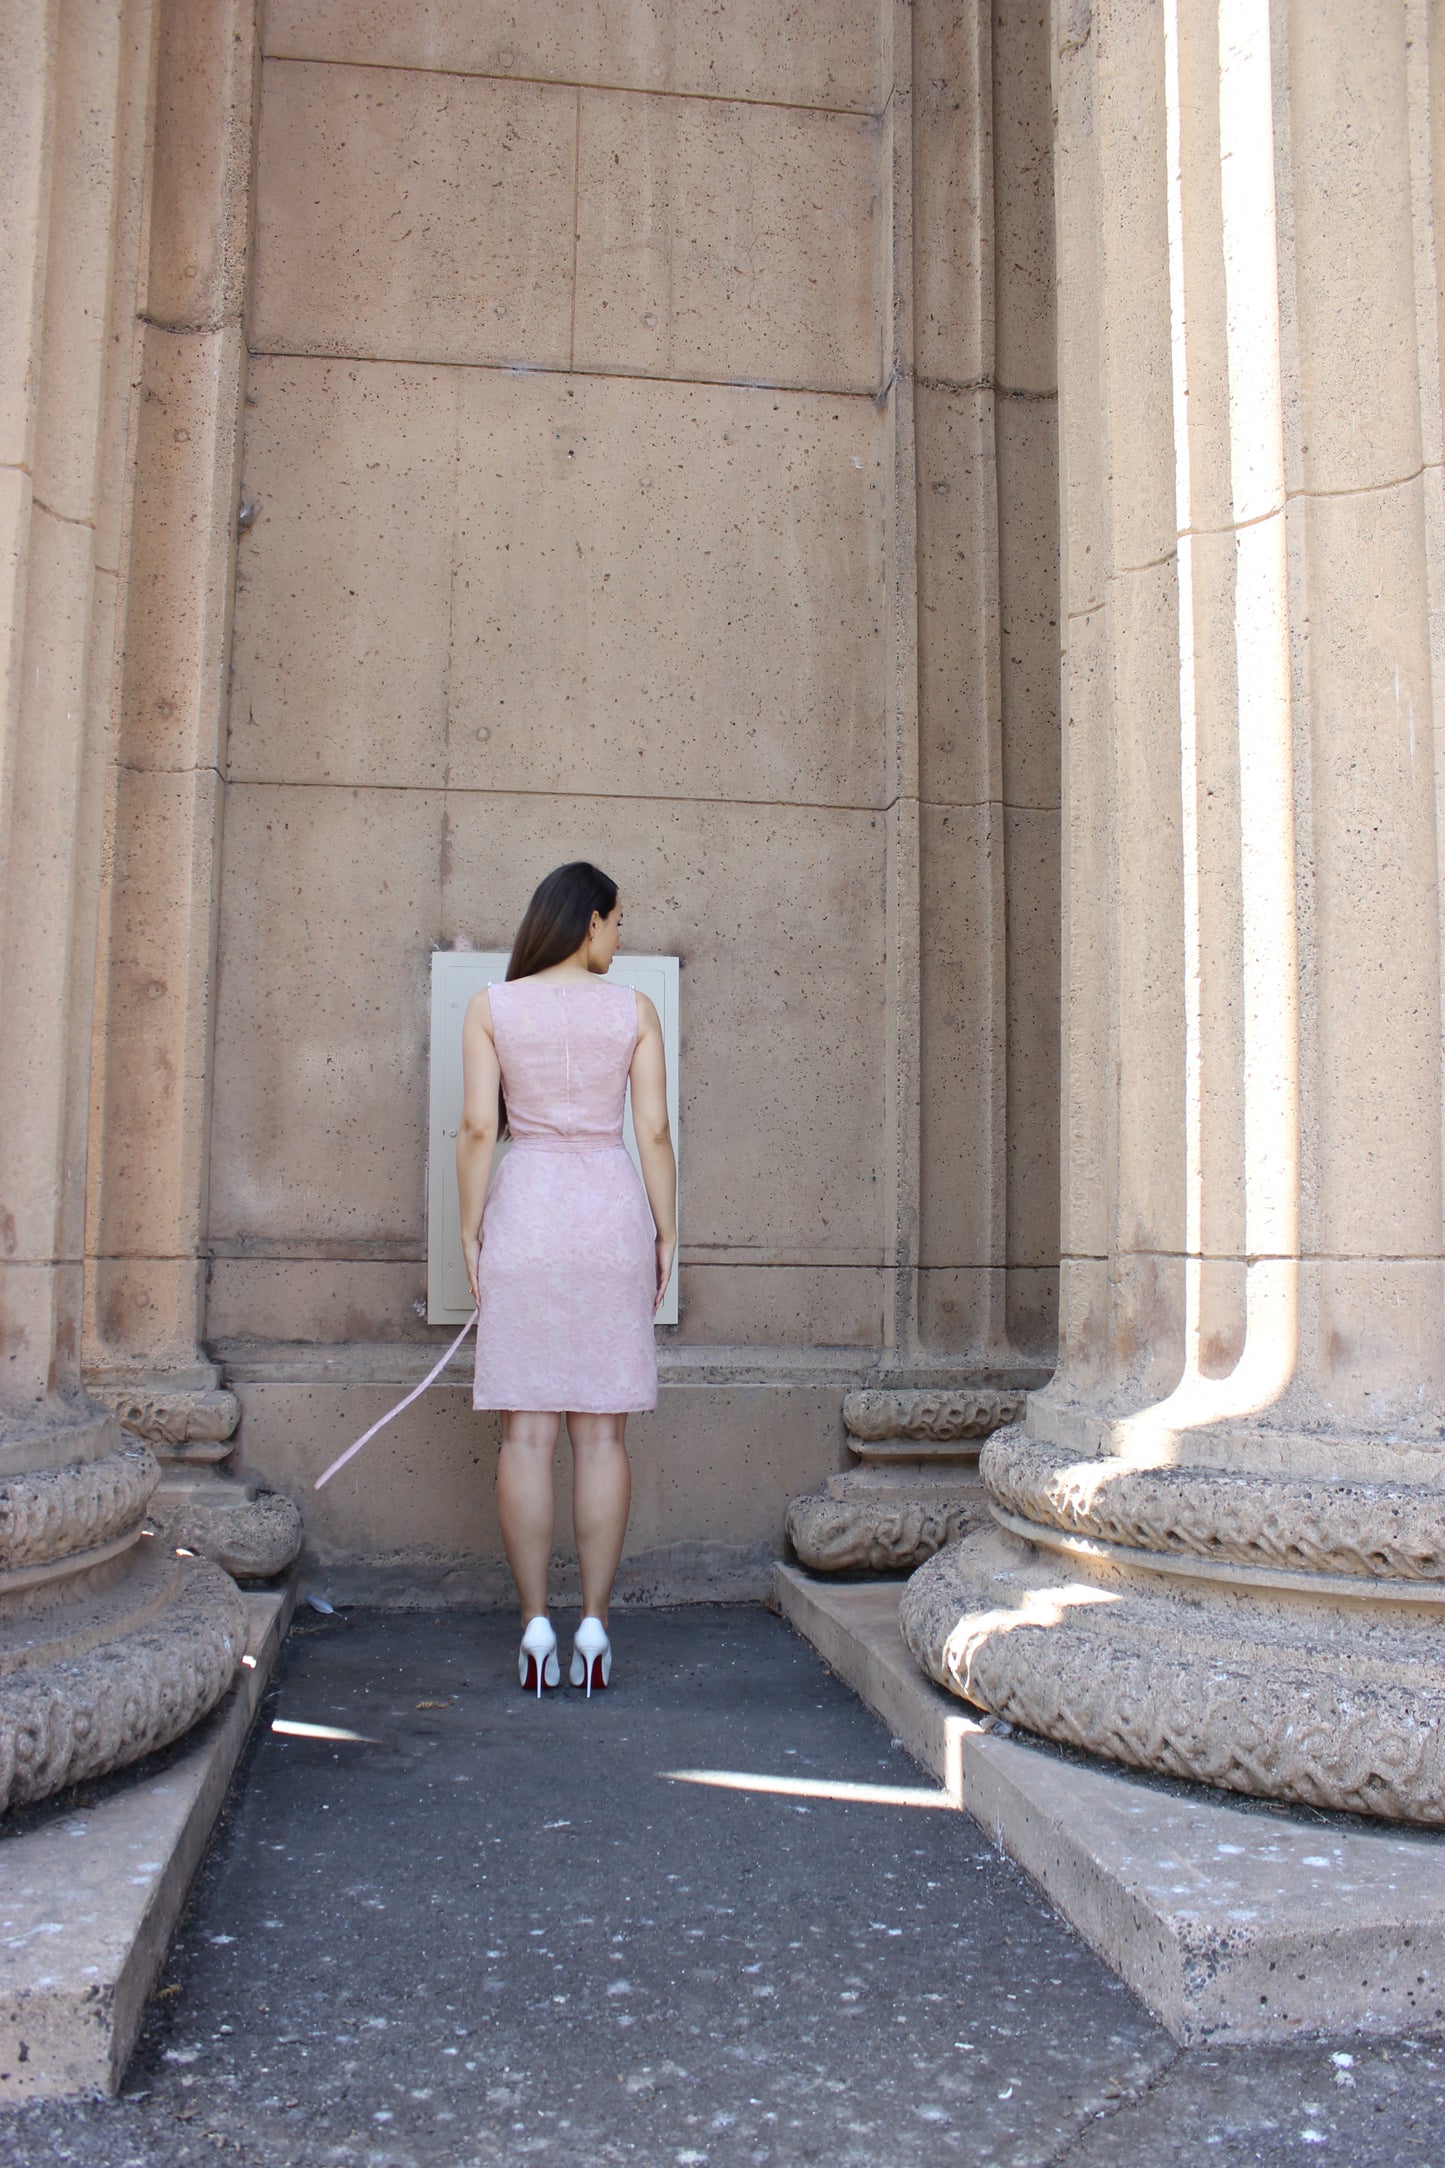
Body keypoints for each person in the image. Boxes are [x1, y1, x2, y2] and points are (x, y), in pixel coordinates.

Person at [456, 862, 677, 1697]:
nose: (620, 939)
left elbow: (481, 1126)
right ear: (588, 922)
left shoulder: (491, 1007)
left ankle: (532, 1627)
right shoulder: (633, 1011)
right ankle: (593, 1623)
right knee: (602, 1437)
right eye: (617, 923)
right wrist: (666, 1234)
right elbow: (650, 1133)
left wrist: (472, 1231)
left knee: (526, 1436)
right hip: (608, 1208)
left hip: (528, 1208)